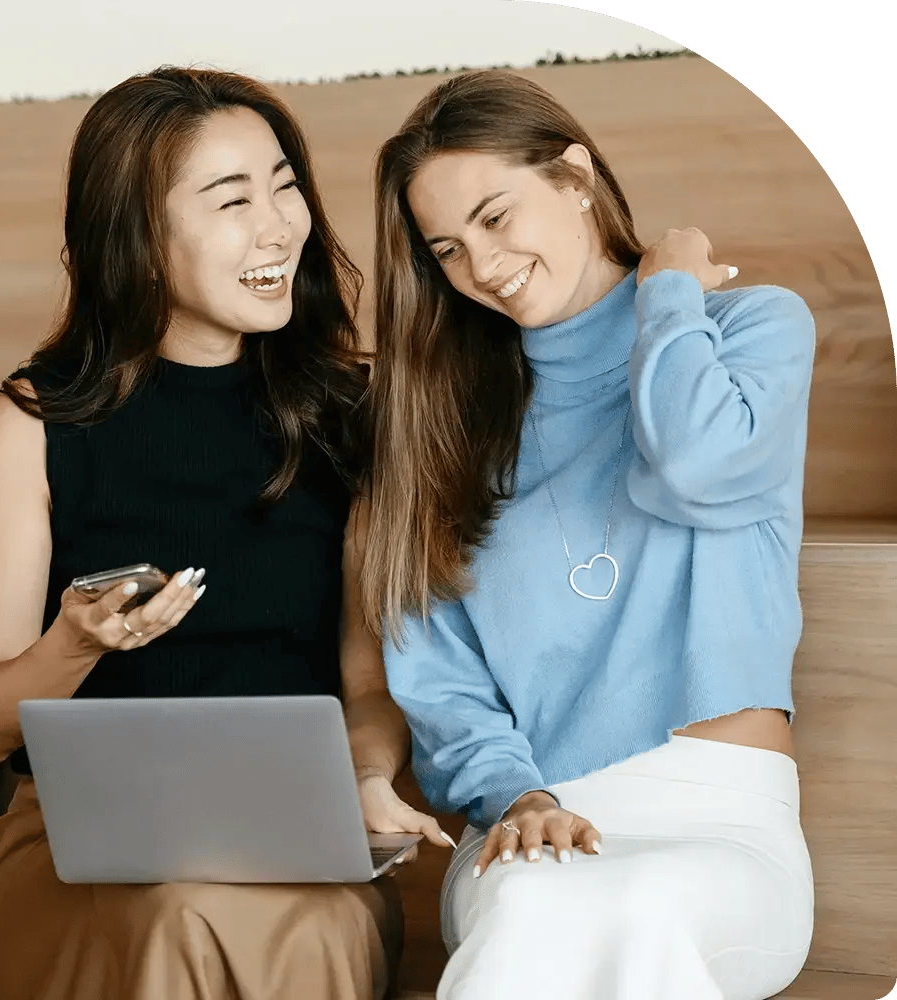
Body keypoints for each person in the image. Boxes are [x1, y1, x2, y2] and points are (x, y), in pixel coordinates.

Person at [0, 66, 453, 1000]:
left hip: (292, 831)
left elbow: (368, 687)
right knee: (173, 912)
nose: (278, 226)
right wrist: (75, 645)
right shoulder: (34, 422)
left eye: (285, 185)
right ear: (139, 238)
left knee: (244, 921)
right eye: (232, 200)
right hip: (83, 838)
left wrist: (367, 778)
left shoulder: (350, 415)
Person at [361, 69, 817, 1000]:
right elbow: (441, 684)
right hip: (526, 826)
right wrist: (518, 799)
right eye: (448, 249)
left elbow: (696, 468)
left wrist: (669, 296)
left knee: (636, 906)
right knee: (535, 904)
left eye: (496, 217)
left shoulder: (748, 332)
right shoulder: (443, 428)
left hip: (721, 826)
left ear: (575, 176)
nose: (482, 266)